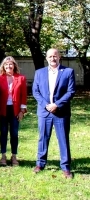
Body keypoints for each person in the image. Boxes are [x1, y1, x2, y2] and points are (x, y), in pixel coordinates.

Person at [32, 48, 75, 179]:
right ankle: (40, 164)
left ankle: (66, 167)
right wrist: (46, 105)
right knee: (43, 138)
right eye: (50, 56)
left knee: (63, 139)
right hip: (44, 112)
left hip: (61, 112)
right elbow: (36, 91)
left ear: (59, 57)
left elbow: (70, 91)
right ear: (46, 58)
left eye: (55, 56)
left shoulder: (68, 72)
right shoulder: (39, 73)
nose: (52, 58)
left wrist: (56, 104)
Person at [0, 56, 27, 166]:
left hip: (15, 110)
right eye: (6, 64)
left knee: (14, 133)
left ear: (14, 66)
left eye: (10, 64)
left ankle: (14, 156)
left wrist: (22, 111)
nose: (8, 66)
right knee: (3, 133)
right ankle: (3, 155)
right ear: (3, 66)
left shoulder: (21, 78)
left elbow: (24, 95)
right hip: (3, 109)